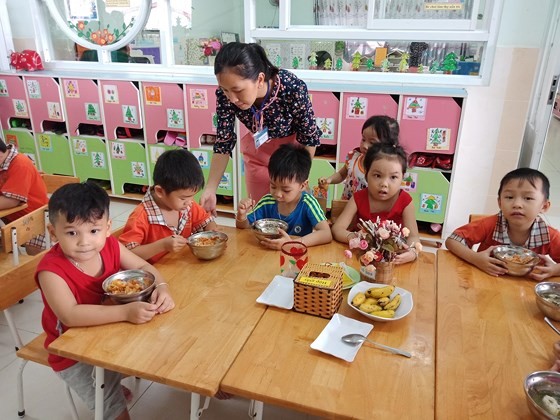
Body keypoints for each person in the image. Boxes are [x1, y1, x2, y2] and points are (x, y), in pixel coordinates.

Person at [36, 182, 174, 420]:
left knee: (167, 350)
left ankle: (112, 377)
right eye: (71, 233)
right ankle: (110, 387)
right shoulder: (51, 271)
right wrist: (125, 313)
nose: (84, 242)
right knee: (114, 411)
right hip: (73, 353)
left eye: (93, 231)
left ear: (108, 228)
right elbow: (69, 314)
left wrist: (162, 287)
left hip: (110, 331)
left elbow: (142, 266)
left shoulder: (110, 245)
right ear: (52, 232)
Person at [199, 42, 322, 214]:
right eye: (225, 90)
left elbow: (309, 136)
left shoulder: (291, 87)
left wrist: (299, 178)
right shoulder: (225, 96)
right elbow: (224, 141)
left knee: (291, 212)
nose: (232, 98)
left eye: (238, 90)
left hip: (291, 155)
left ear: (260, 79)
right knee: (261, 212)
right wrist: (210, 190)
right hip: (258, 151)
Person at [445, 168, 560, 280]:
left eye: (528, 198)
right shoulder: (489, 224)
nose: (517, 204)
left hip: (526, 289)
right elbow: (452, 241)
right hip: (485, 282)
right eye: (509, 197)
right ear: (500, 202)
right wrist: (476, 259)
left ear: (544, 206)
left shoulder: (550, 235)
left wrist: (554, 270)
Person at [119, 149, 217, 264]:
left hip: (180, 267)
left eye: (192, 196)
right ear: (160, 191)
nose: (190, 202)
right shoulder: (140, 217)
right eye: (183, 198)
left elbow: (207, 222)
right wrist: (162, 245)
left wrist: (212, 233)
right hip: (154, 271)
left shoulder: (187, 205)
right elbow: (126, 254)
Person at [331, 142, 420, 264]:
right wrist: (357, 239)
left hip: (392, 261)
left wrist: (412, 252)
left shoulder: (405, 201)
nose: (384, 183)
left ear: (402, 178)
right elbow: (337, 229)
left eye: (393, 177)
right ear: (366, 175)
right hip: (360, 258)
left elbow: (413, 236)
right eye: (377, 175)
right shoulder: (358, 198)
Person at [236, 144, 332, 249]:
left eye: (286, 190)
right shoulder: (267, 201)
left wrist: (293, 244)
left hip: (295, 255)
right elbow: (245, 227)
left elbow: (326, 234)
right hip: (265, 255)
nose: (277, 194)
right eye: (273, 186)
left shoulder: (308, 203)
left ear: (303, 185)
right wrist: (241, 216)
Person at [319, 115, 400, 200]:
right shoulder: (353, 157)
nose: (365, 145)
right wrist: (329, 180)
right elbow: (341, 174)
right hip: (346, 206)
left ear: (388, 146)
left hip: (366, 211)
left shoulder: (385, 170)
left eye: (372, 142)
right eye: (363, 139)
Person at [0, 137, 48, 223]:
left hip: (31, 221)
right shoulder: (3, 162)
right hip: (11, 218)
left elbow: (11, 201)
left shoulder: (20, 164)